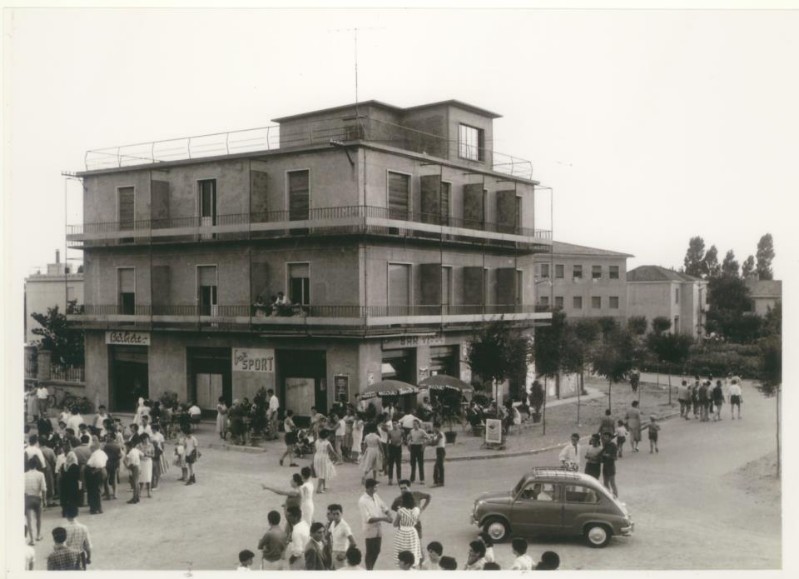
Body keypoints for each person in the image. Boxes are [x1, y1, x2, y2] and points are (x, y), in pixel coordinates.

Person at [358, 478, 393, 570]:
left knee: (377, 550)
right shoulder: (362, 501)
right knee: (370, 552)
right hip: (369, 529)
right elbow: (368, 519)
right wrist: (384, 519)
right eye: (375, 487)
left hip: (378, 528)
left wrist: (388, 513)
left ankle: (371, 568)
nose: (377, 488)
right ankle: (369, 570)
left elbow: (383, 505)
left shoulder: (375, 495)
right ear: (369, 488)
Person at [393, 492, 421, 568]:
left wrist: (402, 522)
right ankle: (413, 566)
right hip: (412, 532)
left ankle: (403, 566)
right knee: (413, 550)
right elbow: (417, 521)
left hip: (402, 532)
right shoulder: (417, 510)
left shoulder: (401, 511)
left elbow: (395, 524)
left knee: (402, 550)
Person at [24, 457, 46, 545]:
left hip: (28, 498)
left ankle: (32, 539)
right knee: (38, 518)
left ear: (28, 465)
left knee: (29, 520)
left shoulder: (24, 475)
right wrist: (44, 500)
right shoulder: (40, 474)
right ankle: (38, 535)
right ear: (36, 465)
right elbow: (44, 488)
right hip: (37, 498)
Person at [327, 504, 356, 569]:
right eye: (334, 514)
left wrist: (345, 555)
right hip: (333, 552)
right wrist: (330, 548)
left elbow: (353, 543)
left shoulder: (344, 526)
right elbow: (327, 535)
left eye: (338, 514)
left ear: (341, 513)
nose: (336, 516)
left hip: (342, 553)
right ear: (331, 515)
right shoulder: (332, 523)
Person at [63, 504, 92, 569]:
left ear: (66, 515)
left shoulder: (63, 528)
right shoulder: (84, 528)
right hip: (80, 555)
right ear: (78, 514)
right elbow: (87, 545)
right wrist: (88, 557)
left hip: (67, 556)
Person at [85, 440, 107, 514]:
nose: (90, 449)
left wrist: (93, 472)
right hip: (101, 472)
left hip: (95, 473)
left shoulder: (96, 454)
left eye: (91, 448)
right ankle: (98, 507)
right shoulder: (102, 453)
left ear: (94, 448)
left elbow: (99, 464)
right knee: (98, 491)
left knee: (93, 491)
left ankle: (94, 508)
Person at [408, 420, 430, 484]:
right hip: (413, 447)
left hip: (419, 447)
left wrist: (424, 445)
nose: (414, 425)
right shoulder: (411, 431)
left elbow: (428, 438)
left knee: (420, 463)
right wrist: (409, 443)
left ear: (418, 424)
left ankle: (422, 479)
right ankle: (412, 479)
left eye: (416, 424)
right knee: (413, 463)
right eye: (413, 424)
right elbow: (409, 438)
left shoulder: (422, 431)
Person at [103, 432, 121, 500]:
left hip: (107, 463)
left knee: (106, 479)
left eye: (108, 436)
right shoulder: (117, 445)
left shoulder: (106, 446)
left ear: (111, 438)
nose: (107, 437)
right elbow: (120, 455)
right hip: (115, 463)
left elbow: (103, 454)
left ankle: (108, 494)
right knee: (114, 479)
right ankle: (115, 494)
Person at [600, 431, 619, 498]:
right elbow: (601, 453)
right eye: (604, 437)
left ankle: (616, 497)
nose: (605, 438)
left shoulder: (613, 445)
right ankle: (608, 496)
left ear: (610, 438)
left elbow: (615, 457)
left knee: (612, 483)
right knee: (605, 483)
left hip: (611, 466)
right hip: (605, 466)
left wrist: (608, 456)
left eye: (606, 437)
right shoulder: (605, 445)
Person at [431, 422, 446, 486]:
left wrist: (430, 441)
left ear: (438, 428)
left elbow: (435, 443)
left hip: (441, 450)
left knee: (438, 466)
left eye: (435, 428)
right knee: (438, 466)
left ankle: (439, 482)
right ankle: (438, 481)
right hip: (438, 450)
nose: (433, 429)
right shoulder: (436, 434)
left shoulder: (440, 434)